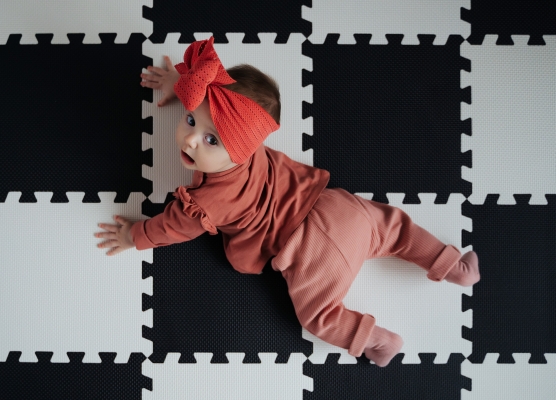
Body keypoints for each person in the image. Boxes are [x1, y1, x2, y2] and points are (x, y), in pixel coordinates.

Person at [94, 37, 480, 367]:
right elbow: (216, 101)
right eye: (191, 120)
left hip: (310, 250)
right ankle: (455, 266)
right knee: (396, 229)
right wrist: (182, 82)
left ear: (246, 144)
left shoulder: (209, 201)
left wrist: (136, 235)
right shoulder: (249, 135)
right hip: (336, 207)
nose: (190, 140)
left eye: (212, 140)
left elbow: (174, 226)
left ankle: (380, 341)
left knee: (319, 316)